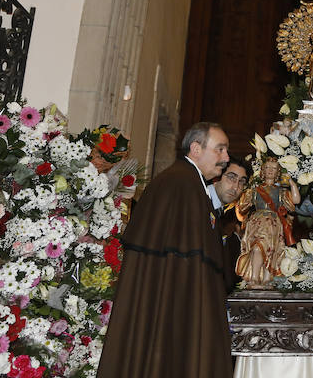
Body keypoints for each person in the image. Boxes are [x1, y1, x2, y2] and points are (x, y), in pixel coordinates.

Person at [97, 122, 233, 378]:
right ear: (195, 149)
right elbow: (181, 268)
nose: (226, 158)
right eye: (220, 149)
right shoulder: (180, 185)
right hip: (174, 313)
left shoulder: (190, 184)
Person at [235, 156, 300, 288]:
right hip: (257, 223)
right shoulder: (254, 190)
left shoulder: (281, 192)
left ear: (278, 173)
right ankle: (253, 278)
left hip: (273, 224)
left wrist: (292, 183)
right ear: (262, 171)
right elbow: (242, 207)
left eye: (274, 168)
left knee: (271, 250)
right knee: (257, 247)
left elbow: (295, 202)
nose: (270, 170)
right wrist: (243, 192)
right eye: (268, 168)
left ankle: (267, 278)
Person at [208, 158, 251, 285]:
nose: (236, 187)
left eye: (242, 182)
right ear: (217, 176)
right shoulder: (200, 200)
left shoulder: (218, 210)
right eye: (232, 177)